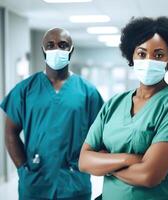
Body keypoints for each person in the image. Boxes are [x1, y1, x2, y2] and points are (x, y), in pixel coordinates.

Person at [79, 17, 168, 200]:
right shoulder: (114, 103)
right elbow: (84, 161)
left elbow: (149, 176)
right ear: (132, 56)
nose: (149, 60)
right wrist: (129, 159)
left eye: (158, 55)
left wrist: (107, 165)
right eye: (142, 54)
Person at [0, 28, 103, 200]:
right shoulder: (25, 89)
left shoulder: (88, 92)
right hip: (35, 183)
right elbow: (10, 131)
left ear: (71, 51)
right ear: (43, 50)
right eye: (50, 45)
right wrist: (23, 169)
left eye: (63, 45)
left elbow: (101, 136)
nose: (56, 49)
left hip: (75, 183)